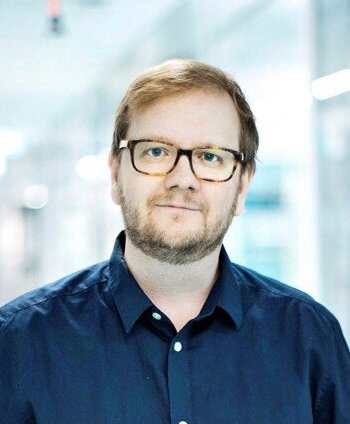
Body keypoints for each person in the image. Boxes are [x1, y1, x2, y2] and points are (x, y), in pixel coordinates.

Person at [0, 59, 349, 424]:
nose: (183, 178)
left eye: (211, 157)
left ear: (242, 185)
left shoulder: (309, 339)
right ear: (116, 174)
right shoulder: (19, 344)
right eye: (155, 152)